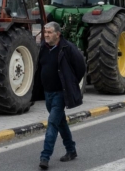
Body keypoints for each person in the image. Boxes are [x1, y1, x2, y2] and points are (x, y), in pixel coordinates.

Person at [33, 22, 86, 170]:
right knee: (60, 122)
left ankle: (45, 157)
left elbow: (81, 67)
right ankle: (71, 150)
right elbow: (40, 67)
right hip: (47, 93)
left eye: (49, 32)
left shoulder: (67, 48)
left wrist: (71, 82)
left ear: (58, 34)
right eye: (45, 32)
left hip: (60, 93)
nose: (46, 35)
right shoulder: (43, 48)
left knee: (52, 123)